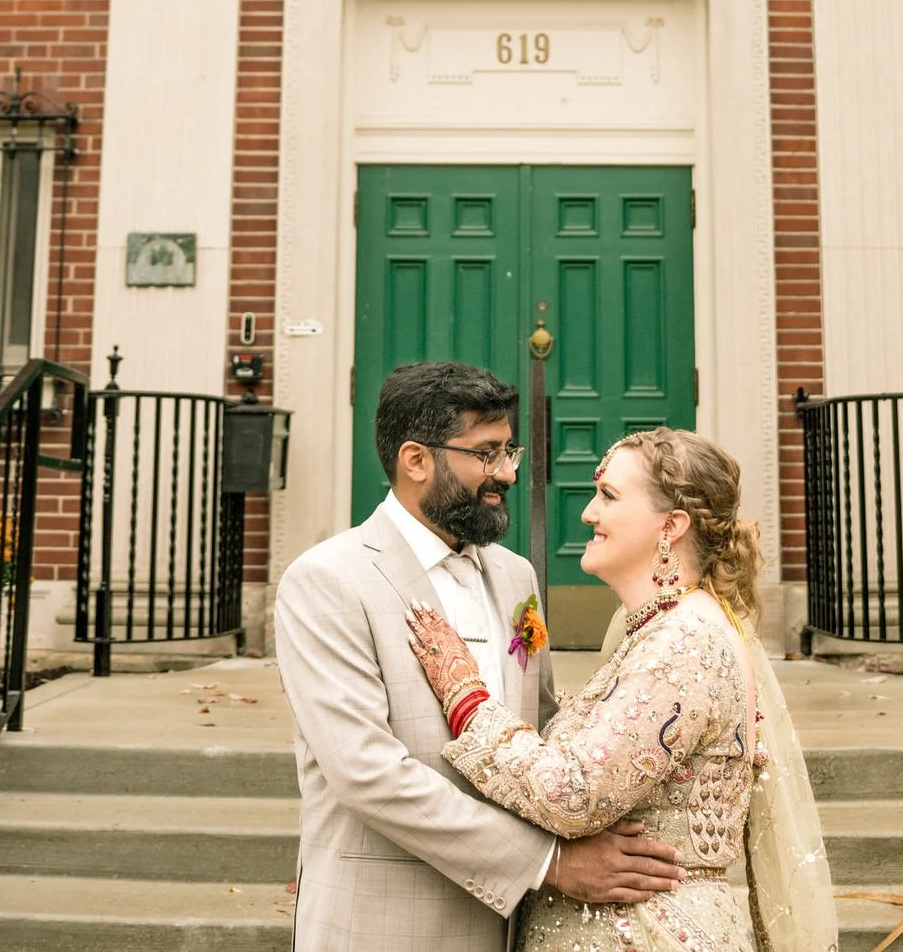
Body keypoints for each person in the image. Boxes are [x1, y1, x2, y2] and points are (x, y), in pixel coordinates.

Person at [275, 361, 690, 951]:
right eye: (486, 453)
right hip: (384, 921)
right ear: (416, 460)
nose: (507, 474)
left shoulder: (513, 573)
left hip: (510, 925)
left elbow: (541, 725)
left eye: (509, 452)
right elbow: (366, 772)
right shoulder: (327, 581)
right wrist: (548, 861)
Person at [406, 427, 839, 952]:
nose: (588, 513)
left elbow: (575, 795)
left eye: (609, 496)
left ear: (671, 525)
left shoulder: (684, 643)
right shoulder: (664, 629)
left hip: (651, 932)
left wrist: (466, 697)